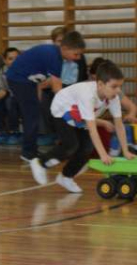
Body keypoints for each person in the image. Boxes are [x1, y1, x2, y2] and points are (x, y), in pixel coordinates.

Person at [29, 61, 134, 193]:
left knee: (86, 148)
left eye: (120, 86)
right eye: (114, 86)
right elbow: (92, 129)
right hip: (62, 111)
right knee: (71, 145)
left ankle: (66, 177)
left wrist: (125, 150)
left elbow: (119, 124)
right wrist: (103, 155)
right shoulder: (88, 95)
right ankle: (40, 162)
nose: (118, 90)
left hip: (79, 116)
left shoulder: (113, 97)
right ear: (100, 84)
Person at [6, 30, 86, 162]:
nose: (78, 58)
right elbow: (57, 88)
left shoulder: (56, 55)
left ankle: (30, 149)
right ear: (65, 48)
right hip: (18, 79)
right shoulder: (54, 57)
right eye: (76, 54)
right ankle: (28, 153)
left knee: (33, 113)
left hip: (28, 80)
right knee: (32, 115)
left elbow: (41, 82)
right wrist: (69, 107)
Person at [0, 47, 22, 145]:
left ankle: (14, 132)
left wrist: (7, 92)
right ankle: (0, 132)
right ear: (5, 60)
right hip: (9, 96)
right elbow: (0, 88)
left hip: (21, 98)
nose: (14, 61)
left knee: (10, 101)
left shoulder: (25, 70)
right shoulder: (2, 71)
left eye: (17, 58)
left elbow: (23, 90)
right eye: (10, 59)